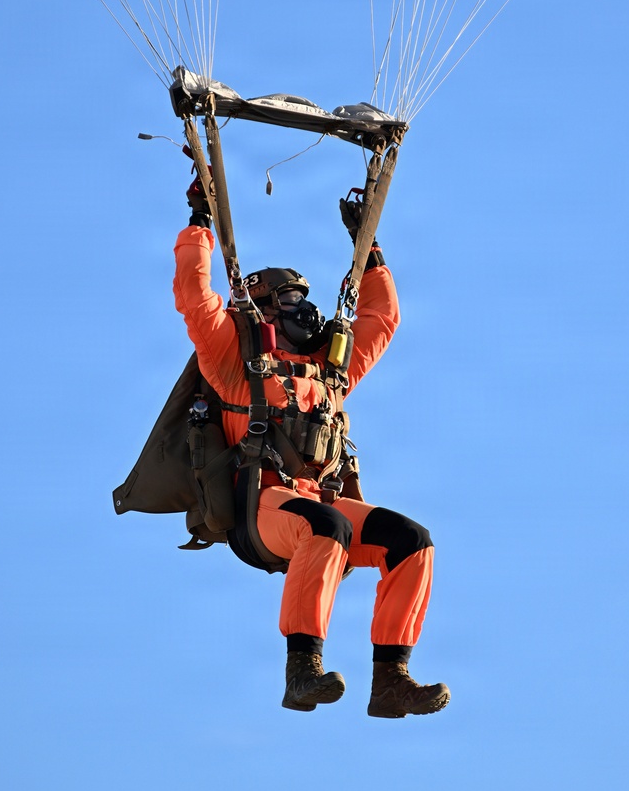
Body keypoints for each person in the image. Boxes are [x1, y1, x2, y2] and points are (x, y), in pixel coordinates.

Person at [172, 182, 449, 718]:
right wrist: (200, 219)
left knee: (411, 541)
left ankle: (391, 676)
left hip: (315, 503)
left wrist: (369, 252)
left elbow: (381, 319)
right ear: (267, 311)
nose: (309, 308)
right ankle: (302, 669)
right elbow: (195, 297)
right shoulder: (233, 361)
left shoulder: (330, 372)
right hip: (262, 511)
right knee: (327, 525)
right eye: (294, 299)